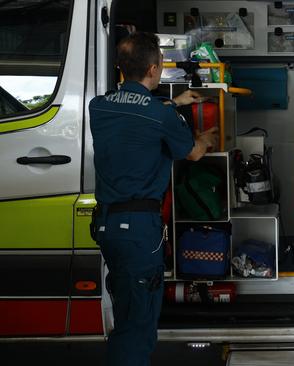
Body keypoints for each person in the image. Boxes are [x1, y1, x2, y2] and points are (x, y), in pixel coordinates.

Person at [89, 32, 216, 366]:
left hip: (107, 226)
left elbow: (135, 111)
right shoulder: (161, 117)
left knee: (127, 310)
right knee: (137, 326)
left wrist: (175, 103)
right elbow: (192, 154)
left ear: (121, 69)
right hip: (138, 231)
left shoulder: (99, 107)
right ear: (154, 69)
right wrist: (204, 138)